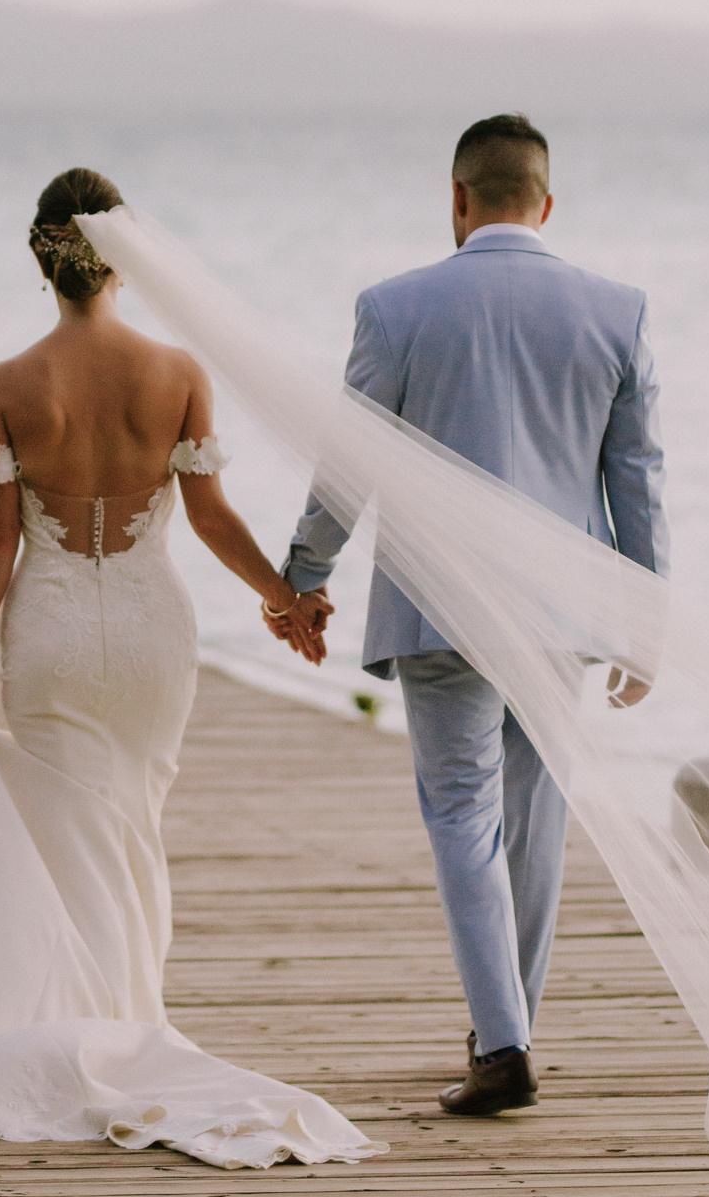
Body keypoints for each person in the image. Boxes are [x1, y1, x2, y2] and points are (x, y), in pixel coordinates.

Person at [0, 168, 378, 1169]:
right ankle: (129, 1018)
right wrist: (283, 598)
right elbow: (210, 517)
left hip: (52, 631)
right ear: (124, 258)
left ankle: (86, 1027)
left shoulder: (5, 385)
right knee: (132, 825)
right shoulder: (176, 372)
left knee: (68, 833)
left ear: (41, 261)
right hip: (155, 632)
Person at [270, 115, 667, 1118]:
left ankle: (502, 1043)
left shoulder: (396, 307)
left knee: (461, 812)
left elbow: (348, 463)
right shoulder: (616, 312)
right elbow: (637, 481)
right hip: (563, 613)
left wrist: (302, 574)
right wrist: (645, 622)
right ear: (546, 203)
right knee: (535, 821)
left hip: (438, 607)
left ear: (457, 198)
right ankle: (508, 1028)